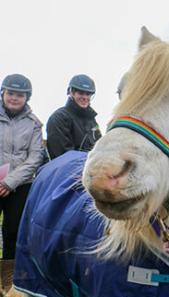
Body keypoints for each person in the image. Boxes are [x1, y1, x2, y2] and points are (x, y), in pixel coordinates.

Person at [0, 74, 43, 260]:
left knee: (13, 232)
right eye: (11, 93)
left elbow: (35, 157)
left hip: (19, 186)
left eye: (20, 95)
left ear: (27, 98)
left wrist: (10, 182)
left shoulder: (34, 124)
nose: (14, 98)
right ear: (2, 93)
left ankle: (7, 279)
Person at [46, 74, 101, 159]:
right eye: (81, 93)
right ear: (71, 92)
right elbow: (63, 156)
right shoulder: (58, 118)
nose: (85, 97)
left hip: (92, 167)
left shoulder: (92, 121)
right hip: (69, 169)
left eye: (88, 94)